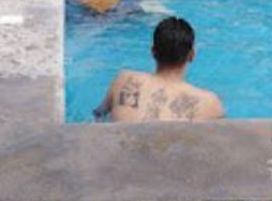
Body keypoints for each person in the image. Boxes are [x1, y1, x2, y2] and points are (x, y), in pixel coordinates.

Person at [93, 17, 226, 122]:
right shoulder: (210, 103)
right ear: (191, 55)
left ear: (153, 51)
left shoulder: (123, 79)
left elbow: (98, 116)